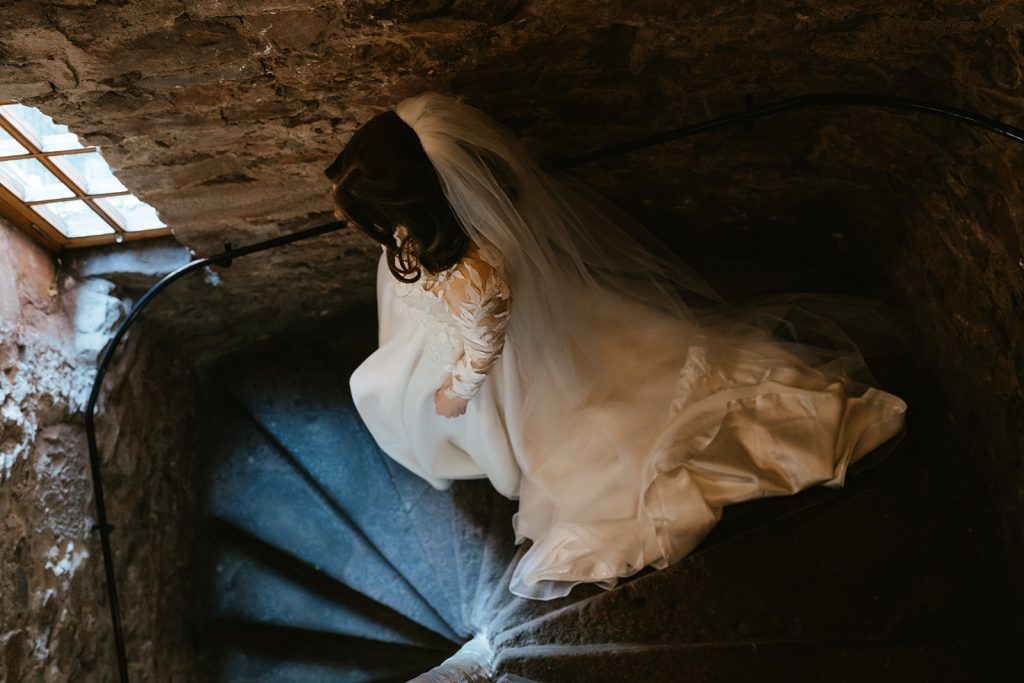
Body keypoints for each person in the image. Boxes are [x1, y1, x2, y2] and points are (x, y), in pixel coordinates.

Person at [324, 92, 910, 600]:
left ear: (415, 206)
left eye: (370, 216)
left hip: (499, 358)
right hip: (476, 322)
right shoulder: (441, 216)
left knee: (385, 390)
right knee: (381, 385)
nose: (350, 222)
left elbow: (481, 348)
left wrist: (456, 394)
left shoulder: (473, 273)